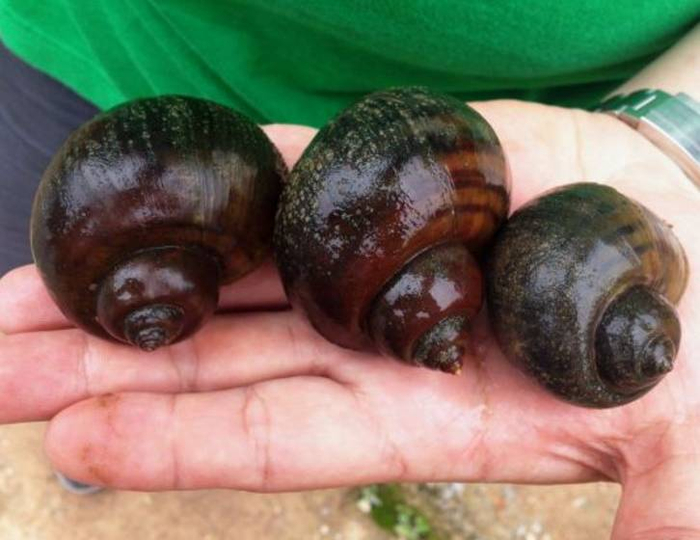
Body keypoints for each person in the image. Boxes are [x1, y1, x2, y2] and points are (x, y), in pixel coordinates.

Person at [0, 3, 698, 538]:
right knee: (39, 303)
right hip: (98, 45)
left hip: (593, 92)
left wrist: (674, 135)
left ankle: (93, 438)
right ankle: (86, 431)